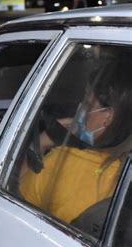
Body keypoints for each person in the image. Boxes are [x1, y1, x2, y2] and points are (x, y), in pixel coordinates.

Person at [19, 65, 132, 225]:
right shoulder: (125, 169)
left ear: (107, 117)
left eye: (87, 103)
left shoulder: (61, 163)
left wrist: (42, 141)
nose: (80, 109)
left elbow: (18, 202)